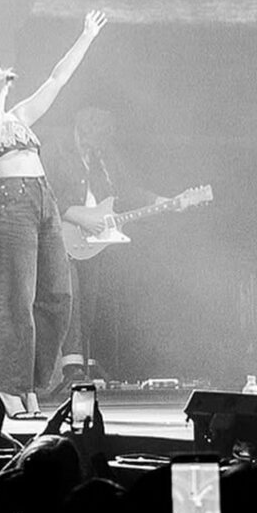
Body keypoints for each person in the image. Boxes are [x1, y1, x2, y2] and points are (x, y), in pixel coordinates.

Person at [0, 12, 108, 417]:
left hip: (44, 200)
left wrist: (86, 37)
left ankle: (31, 383)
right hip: (12, 204)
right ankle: (11, 386)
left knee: (57, 295)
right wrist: (0, 97)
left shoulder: (19, 116)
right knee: (14, 300)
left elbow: (56, 80)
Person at [44, 106, 166, 395]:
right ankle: (70, 368)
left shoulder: (105, 157)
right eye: (90, 142)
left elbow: (125, 191)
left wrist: (161, 201)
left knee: (88, 303)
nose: (94, 149)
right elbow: (44, 192)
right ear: (80, 131)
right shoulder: (55, 149)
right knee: (70, 298)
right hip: (61, 236)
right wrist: (76, 215)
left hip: (93, 242)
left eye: (99, 143)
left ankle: (81, 367)